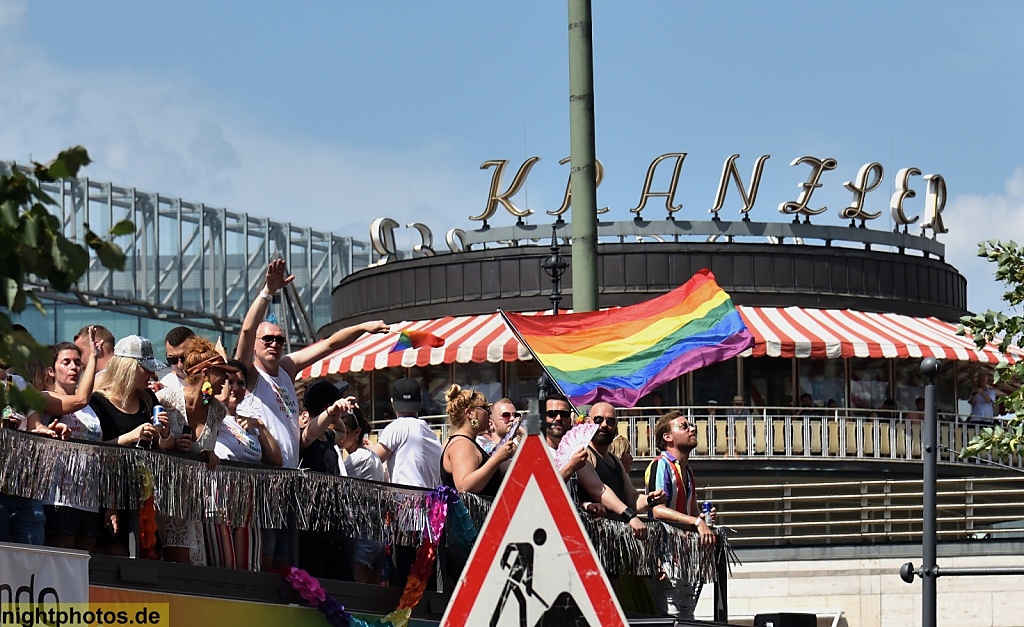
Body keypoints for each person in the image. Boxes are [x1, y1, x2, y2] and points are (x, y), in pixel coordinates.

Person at [233, 259, 387, 570]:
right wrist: (267, 291)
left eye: (279, 340)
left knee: (283, 564)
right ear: (256, 346)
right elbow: (248, 329)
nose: (275, 345)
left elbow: (329, 344)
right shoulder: (249, 373)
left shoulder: (286, 371)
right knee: (264, 559)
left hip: (289, 482)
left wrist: (363, 328)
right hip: (263, 480)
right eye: (268, 340)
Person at [155, 336, 236, 565]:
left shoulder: (218, 411)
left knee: (197, 566)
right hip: (168, 498)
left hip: (195, 503)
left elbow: (204, 450)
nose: (227, 379)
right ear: (207, 373)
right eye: (222, 372)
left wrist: (207, 454)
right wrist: (171, 443)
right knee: (180, 566)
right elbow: (150, 441)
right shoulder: (166, 399)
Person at [90, 335, 172, 556]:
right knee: (111, 552)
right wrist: (129, 437)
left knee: (143, 554)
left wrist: (163, 434)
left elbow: (162, 445)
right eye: (145, 368)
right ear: (128, 368)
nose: (151, 374)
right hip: (106, 492)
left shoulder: (149, 400)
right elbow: (92, 450)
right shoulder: (98, 402)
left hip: (142, 494)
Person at [543, 394, 654, 539]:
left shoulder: (577, 454)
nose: (558, 418)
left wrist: (586, 505)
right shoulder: (536, 451)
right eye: (552, 414)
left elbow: (600, 490)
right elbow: (542, 492)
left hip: (574, 534)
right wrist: (630, 516)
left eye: (564, 414)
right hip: (547, 532)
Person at [209, 360, 281, 571]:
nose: (235, 388)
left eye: (241, 383)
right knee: (225, 564)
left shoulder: (249, 423)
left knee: (248, 565)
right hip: (220, 498)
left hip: (249, 500)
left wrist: (259, 426)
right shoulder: (214, 414)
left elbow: (277, 459)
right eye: (229, 381)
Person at [644, 410, 717, 621]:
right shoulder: (660, 465)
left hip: (684, 556)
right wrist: (696, 521)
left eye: (691, 425)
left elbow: (691, 511)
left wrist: (703, 519)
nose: (692, 429)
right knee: (672, 616)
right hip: (664, 555)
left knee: (687, 616)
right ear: (667, 437)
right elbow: (657, 510)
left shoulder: (689, 471)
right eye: (684, 426)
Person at [37, 337, 103, 551]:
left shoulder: (91, 411)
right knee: (60, 564)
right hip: (58, 498)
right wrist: (93, 356)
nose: (73, 367)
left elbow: (98, 449)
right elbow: (80, 399)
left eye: (77, 362)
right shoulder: (45, 398)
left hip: (89, 501)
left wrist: (131, 436)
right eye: (66, 362)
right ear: (51, 371)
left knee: (85, 567)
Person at [296, 380, 354, 581]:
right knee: (316, 579)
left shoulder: (327, 436)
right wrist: (330, 412)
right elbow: (309, 433)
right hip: (311, 525)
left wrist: (336, 416)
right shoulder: (303, 436)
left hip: (333, 521)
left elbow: (342, 434)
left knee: (341, 579)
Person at [338, 408, 387, 584]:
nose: (340, 436)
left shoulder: (356, 459)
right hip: (377, 529)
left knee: (358, 588)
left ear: (357, 432)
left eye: (344, 432)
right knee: (373, 591)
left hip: (362, 528)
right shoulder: (372, 456)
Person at [441, 385, 515, 497]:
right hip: (470, 514)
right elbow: (464, 486)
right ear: (469, 413)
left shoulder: (466, 442)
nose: (489, 413)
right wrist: (497, 458)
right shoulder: (461, 444)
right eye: (485, 408)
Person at [159, 326, 196, 392]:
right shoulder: (166, 386)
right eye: (172, 359)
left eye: (185, 358)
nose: (180, 365)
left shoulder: (213, 378)